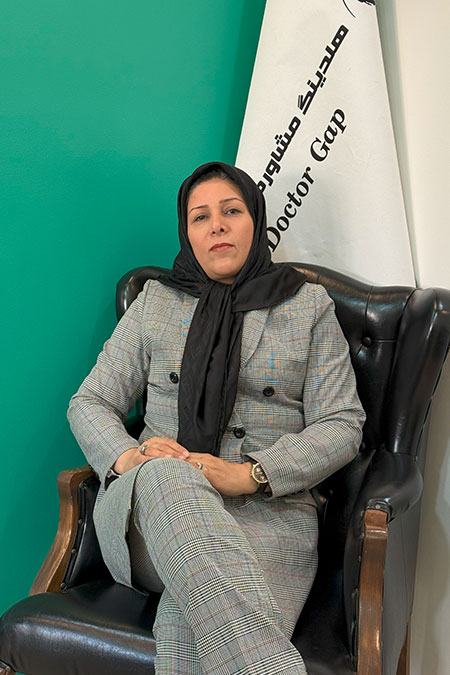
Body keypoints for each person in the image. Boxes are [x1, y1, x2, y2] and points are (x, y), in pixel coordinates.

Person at [68, 161, 365, 674]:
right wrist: (130, 457)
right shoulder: (155, 303)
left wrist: (251, 474)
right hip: (153, 516)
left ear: (256, 220)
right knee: (167, 476)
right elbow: (89, 402)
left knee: (196, 609)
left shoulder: (306, 307)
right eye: (200, 217)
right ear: (186, 232)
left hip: (271, 519)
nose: (217, 226)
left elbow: (341, 423)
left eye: (231, 211)